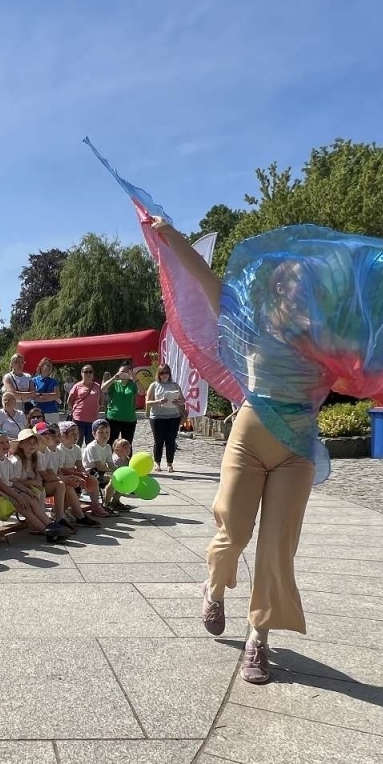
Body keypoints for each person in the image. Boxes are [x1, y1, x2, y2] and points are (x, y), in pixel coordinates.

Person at [148, 216, 315, 686]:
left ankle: (258, 638)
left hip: (297, 447)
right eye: (295, 285)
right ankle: (214, 585)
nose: (302, 293)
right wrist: (170, 234)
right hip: (251, 436)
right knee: (234, 531)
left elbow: (372, 372)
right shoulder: (247, 317)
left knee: (277, 546)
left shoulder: (328, 339)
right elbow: (202, 276)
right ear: (279, 289)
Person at [146, 364, 186, 473]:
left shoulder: (175, 385)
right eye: (162, 373)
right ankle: (157, 463)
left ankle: (170, 464)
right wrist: (158, 402)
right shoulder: (154, 385)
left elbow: (183, 400)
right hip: (157, 417)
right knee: (158, 441)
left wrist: (178, 402)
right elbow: (148, 402)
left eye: (166, 372)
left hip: (173, 416)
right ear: (158, 374)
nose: (165, 375)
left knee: (170, 441)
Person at [103, 365, 140, 446]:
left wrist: (135, 379)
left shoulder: (132, 385)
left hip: (129, 419)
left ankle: (126, 459)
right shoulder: (114, 384)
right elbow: (103, 389)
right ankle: (110, 459)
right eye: (122, 371)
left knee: (127, 444)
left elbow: (142, 392)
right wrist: (113, 378)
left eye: (126, 371)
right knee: (110, 443)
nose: (124, 373)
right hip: (113, 418)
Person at [66, 366, 104, 444]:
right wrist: (74, 409)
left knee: (91, 443)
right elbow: (69, 401)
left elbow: (101, 401)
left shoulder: (97, 386)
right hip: (78, 419)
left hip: (92, 419)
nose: (88, 374)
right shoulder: (77, 386)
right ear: (81, 374)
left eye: (90, 372)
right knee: (77, 442)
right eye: (86, 372)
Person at [32, 358, 63, 424]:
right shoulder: (33, 381)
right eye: (48, 365)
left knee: (53, 432)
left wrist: (40, 395)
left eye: (51, 366)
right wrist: (51, 398)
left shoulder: (54, 381)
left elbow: (57, 395)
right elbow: (34, 397)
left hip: (52, 412)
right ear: (41, 366)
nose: (50, 368)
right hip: (38, 413)